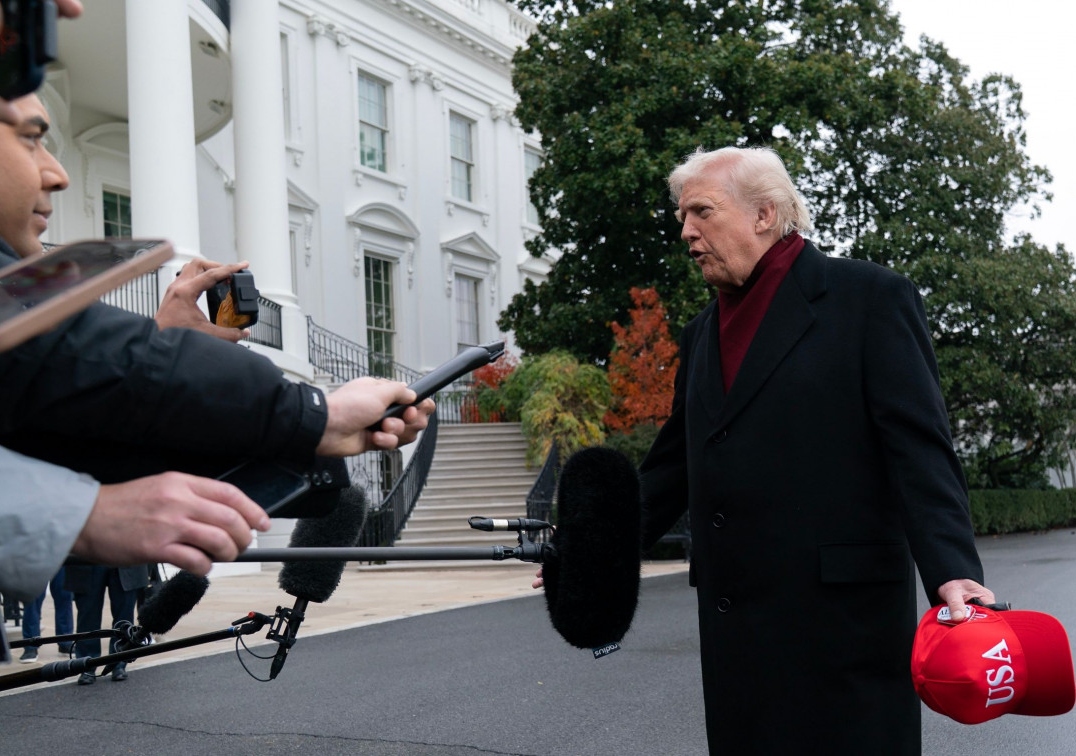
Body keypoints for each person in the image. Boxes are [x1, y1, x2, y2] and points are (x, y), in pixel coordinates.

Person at [638, 146, 993, 754]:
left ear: (764, 214)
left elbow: (920, 449)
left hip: (843, 633)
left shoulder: (868, 298)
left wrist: (952, 569)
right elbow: (672, 466)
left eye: (701, 211)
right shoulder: (701, 332)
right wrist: (587, 549)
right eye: (681, 217)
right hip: (735, 634)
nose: (687, 231)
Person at [66, 563, 148, 684]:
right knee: (87, 617)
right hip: (89, 560)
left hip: (125, 559)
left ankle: (119, 663)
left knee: (124, 620)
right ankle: (86, 666)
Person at [17, 567, 74, 662]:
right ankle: (30, 645)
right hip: (36, 557)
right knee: (32, 599)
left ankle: (66, 642)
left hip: (62, 556)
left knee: (65, 597)